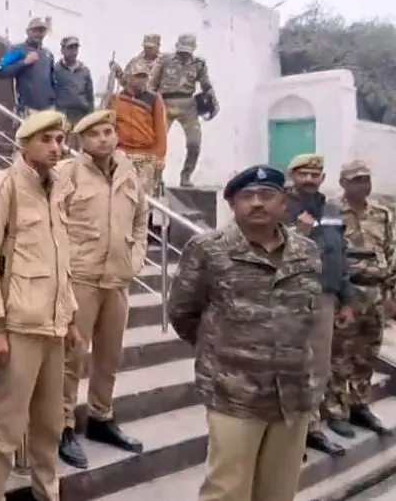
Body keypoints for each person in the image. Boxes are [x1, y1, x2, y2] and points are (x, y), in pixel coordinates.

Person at [167, 165, 322, 501]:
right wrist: (225, 350)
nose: (257, 203)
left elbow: (307, 318)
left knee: (279, 491)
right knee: (227, 491)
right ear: (232, 205)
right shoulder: (208, 250)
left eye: (267, 195)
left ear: (284, 203)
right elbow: (182, 312)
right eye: (246, 196)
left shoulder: (306, 251)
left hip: (292, 395)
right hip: (234, 394)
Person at [0, 109, 82, 501]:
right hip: (17, 326)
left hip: (53, 325)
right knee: (5, 427)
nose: (56, 148)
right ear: (25, 144)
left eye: (60, 140)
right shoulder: (1, 187)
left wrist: (69, 319)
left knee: (50, 424)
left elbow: (60, 261)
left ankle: (46, 493)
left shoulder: (57, 189)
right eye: (47, 140)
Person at [55, 110, 148, 469]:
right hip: (81, 278)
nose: (105, 139)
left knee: (109, 356)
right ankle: (62, 424)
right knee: (72, 357)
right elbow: (55, 221)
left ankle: (100, 417)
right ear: (81, 142)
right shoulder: (68, 173)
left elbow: (140, 219)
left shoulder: (129, 171)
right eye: (95, 135)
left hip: (117, 279)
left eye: (109, 132)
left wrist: (135, 258)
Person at [285, 153, 356, 456]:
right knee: (291, 368)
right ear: (292, 176)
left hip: (325, 297)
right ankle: (288, 436)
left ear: (323, 179)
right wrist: (295, 232)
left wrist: (347, 299)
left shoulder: (331, 211)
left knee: (319, 368)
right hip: (290, 298)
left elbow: (340, 256)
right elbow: (264, 248)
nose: (310, 179)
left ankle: (311, 428)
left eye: (316, 174)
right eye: (304, 174)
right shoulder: (278, 206)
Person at [328, 159, 393, 435]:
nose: (362, 185)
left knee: (367, 354)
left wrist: (391, 293)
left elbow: (390, 251)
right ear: (343, 183)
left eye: (365, 179)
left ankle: (359, 405)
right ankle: (335, 410)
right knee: (340, 355)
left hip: (375, 294)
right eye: (355, 180)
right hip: (346, 294)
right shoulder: (332, 211)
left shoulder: (382, 213)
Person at [148, 34, 218, 187]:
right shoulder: (165, 61)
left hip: (188, 104)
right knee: (158, 143)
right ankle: (156, 177)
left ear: (193, 48)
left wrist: (212, 100)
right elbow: (152, 84)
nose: (183, 54)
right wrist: (149, 104)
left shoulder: (198, 64)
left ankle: (186, 176)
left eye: (187, 51)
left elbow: (206, 85)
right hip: (165, 103)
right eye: (181, 51)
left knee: (194, 143)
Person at [109, 58, 167, 199]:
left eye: (144, 76)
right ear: (128, 77)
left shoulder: (154, 99)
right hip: (121, 154)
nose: (142, 80)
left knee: (143, 198)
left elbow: (161, 130)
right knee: (120, 195)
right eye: (138, 76)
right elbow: (109, 127)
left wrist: (160, 157)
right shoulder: (116, 99)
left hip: (146, 156)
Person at [0, 18, 56, 117]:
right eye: (35, 30)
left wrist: (54, 102)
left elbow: (52, 81)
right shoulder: (17, 49)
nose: (38, 34)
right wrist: (24, 62)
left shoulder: (48, 54)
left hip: (47, 110)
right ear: (28, 32)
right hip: (27, 109)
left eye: (41, 31)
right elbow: (1, 72)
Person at [53, 36, 94, 128]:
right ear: (63, 50)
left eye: (76, 48)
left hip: (81, 114)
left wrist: (90, 116)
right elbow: (51, 92)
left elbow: (90, 96)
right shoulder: (56, 69)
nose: (74, 51)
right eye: (70, 48)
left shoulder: (85, 71)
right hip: (62, 113)